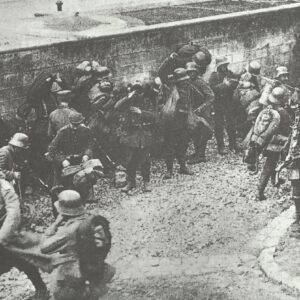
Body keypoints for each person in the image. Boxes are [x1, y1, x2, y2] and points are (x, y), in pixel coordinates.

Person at [41, 190, 114, 300]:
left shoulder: (69, 231)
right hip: (92, 268)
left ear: (63, 211)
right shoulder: (91, 220)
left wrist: (55, 225)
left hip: (72, 276)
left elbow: (44, 247)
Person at [0, 173, 49, 300]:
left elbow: (13, 212)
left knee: (23, 260)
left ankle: (41, 290)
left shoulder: (4, 186)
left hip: (7, 232)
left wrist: (3, 236)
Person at [115, 80, 157, 193]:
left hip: (143, 134)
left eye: (140, 91)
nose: (137, 93)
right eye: (135, 91)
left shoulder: (147, 101)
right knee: (129, 161)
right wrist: (127, 97)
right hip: (130, 135)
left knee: (145, 160)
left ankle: (146, 182)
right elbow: (116, 107)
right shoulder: (127, 102)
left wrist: (141, 112)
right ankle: (131, 182)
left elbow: (154, 116)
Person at [253, 87, 291, 200]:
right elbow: (287, 129)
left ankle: (275, 180)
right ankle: (259, 193)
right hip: (277, 143)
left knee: (272, 163)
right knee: (269, 166)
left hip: (267, 141)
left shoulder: (268, 109)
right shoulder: (283, 112)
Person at [162, 68, 194, 179]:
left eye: (186, 80)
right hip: (171, 122)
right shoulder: (170, 90)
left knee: (183, 144)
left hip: (183, 121)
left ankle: (183, 166)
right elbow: (162, 104)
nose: (185, 82)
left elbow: (190, 103)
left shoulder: (188, 89)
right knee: (170, 146)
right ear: (178, 81)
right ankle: (169, 170)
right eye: (183, 80)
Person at [47, 111, 94, 188]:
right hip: (65, 160)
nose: (75, 127)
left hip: (80, 159)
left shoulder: (85, 131)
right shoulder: (62, 132)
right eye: (73, 124)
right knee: (59, 183)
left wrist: (86, 154)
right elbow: (51, 149)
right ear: (69, 122)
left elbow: (90, 144)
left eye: (77, 124)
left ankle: (88, 196)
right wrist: (62, 160)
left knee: (89, 176)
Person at [209, 57, 240, 155]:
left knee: (231, 124)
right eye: (222, 65)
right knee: (219, 125)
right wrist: (224, 85)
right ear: (219, 66)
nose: (224, 67)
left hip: (229, 102)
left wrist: (233, 83)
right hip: (218, 103)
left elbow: (235, 83)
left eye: (225, 65)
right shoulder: (214, 76)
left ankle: (233, 144)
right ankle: (221, 146)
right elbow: (212, 89)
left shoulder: (229, 73)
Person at [186, 62, 215, 164]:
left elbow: (211, 96)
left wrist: (202, 107)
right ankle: (197, 152)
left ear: (196, 72)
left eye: (193, 72)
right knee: (195, 133)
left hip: (203, 112)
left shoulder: (201, 82)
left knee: (203, 133)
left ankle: (201, 155)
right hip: (194, 111)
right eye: (189, 72)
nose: (191, 74)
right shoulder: (188, 82)